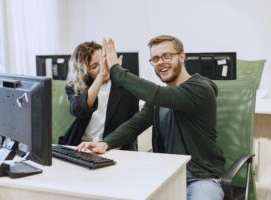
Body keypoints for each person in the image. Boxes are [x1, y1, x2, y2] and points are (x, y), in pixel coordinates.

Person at [77, 35, 226, 200]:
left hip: (200, 178)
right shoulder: (161, 98)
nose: (161, 62)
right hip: (167, 177)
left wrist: (116, 70)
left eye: (167, 56)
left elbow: (158, 94)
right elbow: (136, 124)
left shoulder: (200, 88)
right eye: (155, 59)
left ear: (182, 56)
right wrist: (105, 143)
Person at [58, 41, 139, 151]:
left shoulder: (125, 85)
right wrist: (100, 77)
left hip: (112, 148)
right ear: (84, 72)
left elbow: (132, 127)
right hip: (81, 147)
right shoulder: (77, 86)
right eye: (95, 66)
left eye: (103, 60)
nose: (103, 67)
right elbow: (78, 110)